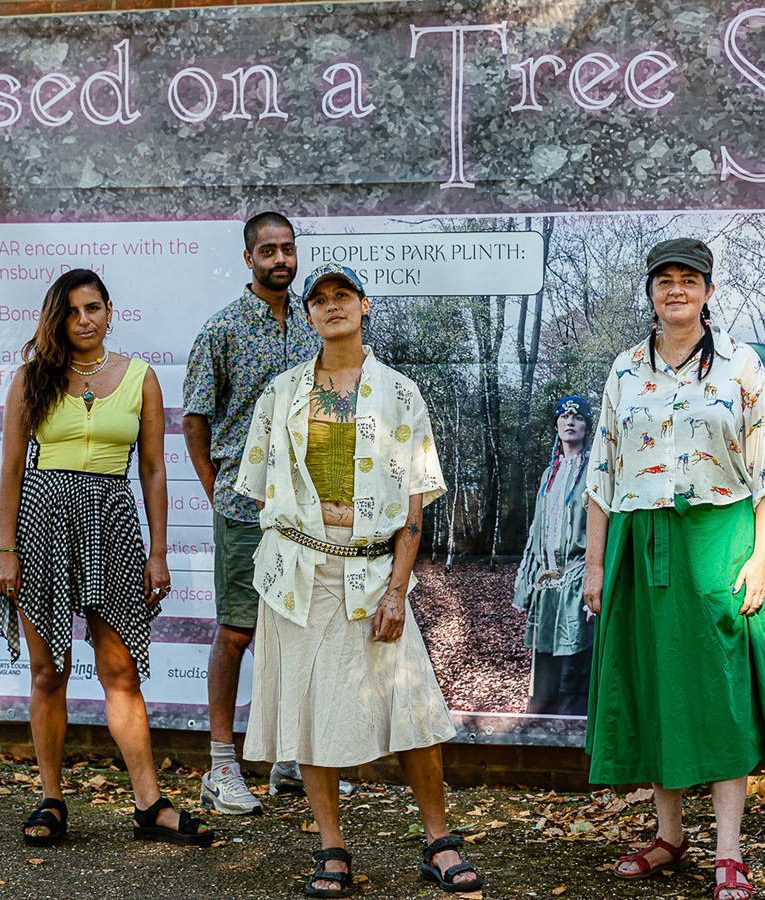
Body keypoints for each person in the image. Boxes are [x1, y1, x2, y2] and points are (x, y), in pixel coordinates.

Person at [235, 263, 482, 897]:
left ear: (364, 305)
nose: (331, 306)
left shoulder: (400, 392)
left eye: (342, 295)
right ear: (308, 315)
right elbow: (260, 489)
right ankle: (331, 848)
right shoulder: (280, 395)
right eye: (319, 299)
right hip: (300, 575)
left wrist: (397, 588)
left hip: (375, 572)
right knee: (310, 711)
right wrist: (309, 533)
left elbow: (415, 506)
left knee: (412, 709)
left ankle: (439, 842)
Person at [584, 238, 765, 900]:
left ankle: (728, 851)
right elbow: (601, 475)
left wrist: (761, 558)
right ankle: (669, 836)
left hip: (718, 537)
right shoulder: (624, 370)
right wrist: (595, 564)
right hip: (641, 542)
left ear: (707, 290)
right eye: (664, 280)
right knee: (655, 685)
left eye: (688, 279)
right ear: (650, 291)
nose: (676, 289)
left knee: (723, 693)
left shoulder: (741, 365)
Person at [0, 269, 213, 847]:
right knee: (49, 671)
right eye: (71, 311)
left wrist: (158, 552)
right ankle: (51, 799)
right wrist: (7, 550)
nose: (83, 320)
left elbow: (154, 470)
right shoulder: (31, 379)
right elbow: (10, 470)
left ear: (110, 311)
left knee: (120, 671)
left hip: (111, 526)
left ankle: (150, 806)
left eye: (92, 308)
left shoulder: (140, 377)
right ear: (57, 319)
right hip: (41, 526)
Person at [183, 212, 351, 812]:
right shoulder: (222, 329)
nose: (281, 259)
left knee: (299, 630)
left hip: (308, 513)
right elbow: (195, 419)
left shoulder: (315, 325)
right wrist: (218, 490)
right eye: (268, 251)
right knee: (237, 631)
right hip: (243, 509)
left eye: (288, 249)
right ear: (249, 258)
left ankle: (289, 761)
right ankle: (221, 767)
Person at [512, 395, 594, 716]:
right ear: (557, 425)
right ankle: (541, 731)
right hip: (547, 588)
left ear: (587, 426)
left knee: (574, 671)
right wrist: (526, 587)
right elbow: (536, 531)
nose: (570, 422)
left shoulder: (594, 471)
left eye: (578, 417)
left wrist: (594, 585)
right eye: (564, 417)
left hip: (577, 583)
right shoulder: (549, 474)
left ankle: (573, 733)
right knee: (544, 675)